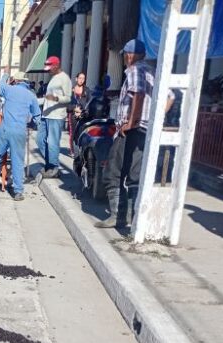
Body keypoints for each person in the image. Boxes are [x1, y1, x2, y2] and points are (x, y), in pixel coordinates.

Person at [96, 39, 154, 229]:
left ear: (130, 55)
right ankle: (132, 217)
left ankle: (118, 216)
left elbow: (138, 94)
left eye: (125, 54)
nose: (124, 58)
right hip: (145, 129)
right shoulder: (153, 72)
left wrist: (131, 122)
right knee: (134, 174)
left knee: (113, 171)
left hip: (131, 130)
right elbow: (168, 98)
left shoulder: (135, 70)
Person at [0, 70, 41, 201]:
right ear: (26, 81)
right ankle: (18, 192)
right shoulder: (31, 95)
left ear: (14, 80)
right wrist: (32, 125)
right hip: (19, 131)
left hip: (5, 129)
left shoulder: (9, 89)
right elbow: (37, 116)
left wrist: (6, 74)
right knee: (18, 161)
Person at [37, 56, 72, 177]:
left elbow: (68, 98)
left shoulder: (64, 79)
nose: (48, 70)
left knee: (52, 142)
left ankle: (54, 167)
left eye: (49, 67)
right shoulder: (53, 79)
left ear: (56, 65)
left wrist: (56, 98)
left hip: (56, 116)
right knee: (40, 140)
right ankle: (49, 164)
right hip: (46, 114)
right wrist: (33, 101)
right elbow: (47, 99)